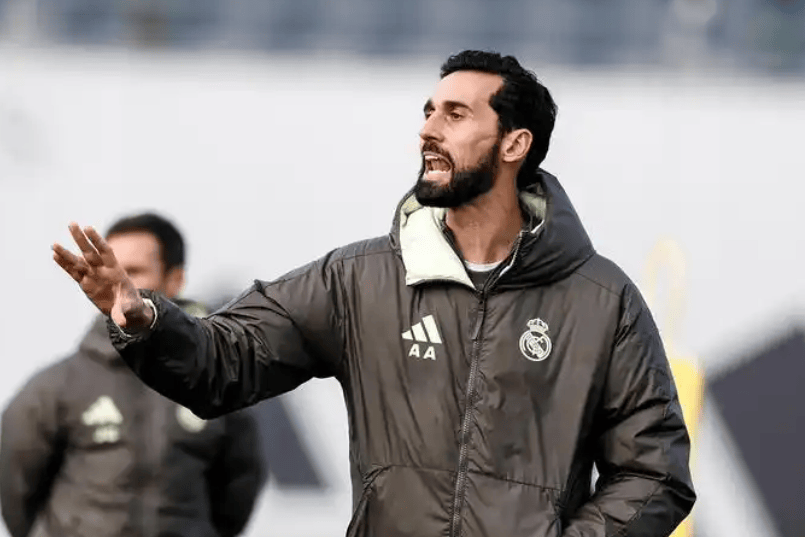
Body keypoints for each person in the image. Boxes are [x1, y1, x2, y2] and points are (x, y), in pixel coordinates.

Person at [52, 51, 696, 537]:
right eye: (427, 112)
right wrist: (142, 317)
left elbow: (655, 472)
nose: (428, 130)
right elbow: (226, 359)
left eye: (455, 114)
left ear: (514, 144)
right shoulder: (358, 279)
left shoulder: (602, 298)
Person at [1, 212, 265, 537]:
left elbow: (238, 489)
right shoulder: (55, 388)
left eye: (134, 272)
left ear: (174, 279)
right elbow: (18, 499)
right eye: (109, 269)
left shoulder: (215, 379)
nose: (117, 282)